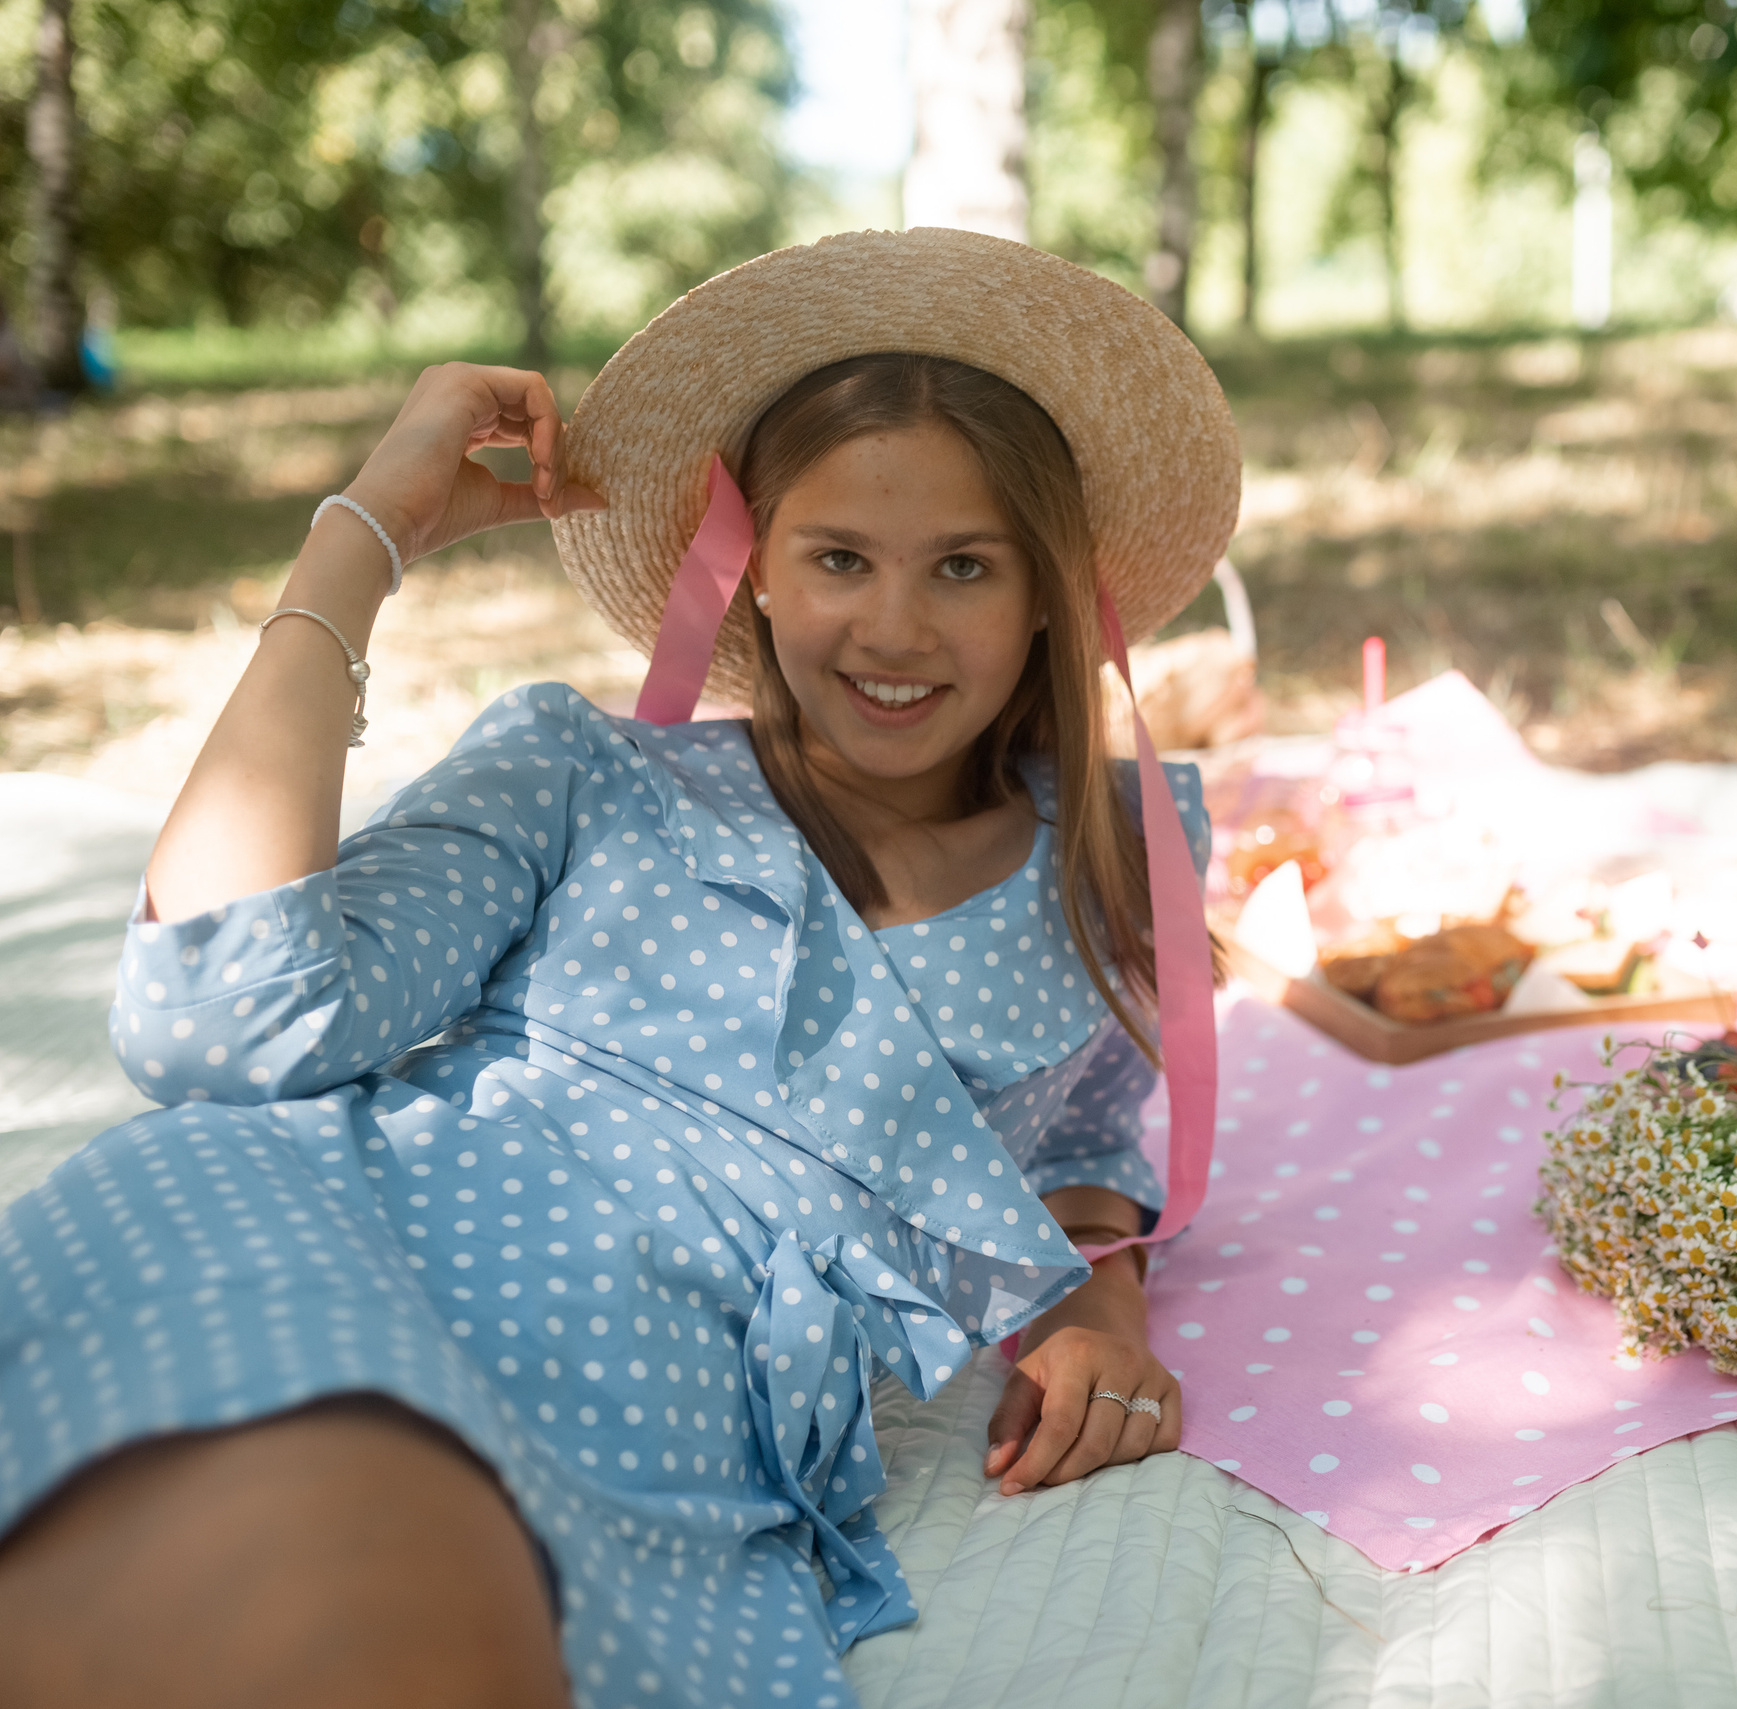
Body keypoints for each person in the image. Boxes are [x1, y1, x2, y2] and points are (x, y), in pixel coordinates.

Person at [0, 229, 1241, 1709]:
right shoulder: (584, 773)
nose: (894, 629)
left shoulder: (1116, 853)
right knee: (300, 1605)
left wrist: (1099, 1305)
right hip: (317, 1238)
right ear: (755, 569)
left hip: (653, 1438)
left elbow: (1080, 1138)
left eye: (963, 566)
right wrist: (368, 528)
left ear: (1049, 589)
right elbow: (215, 1011)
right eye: (837, 556)